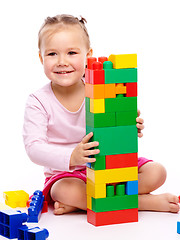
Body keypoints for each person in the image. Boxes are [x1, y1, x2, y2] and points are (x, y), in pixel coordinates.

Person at [23, 14, 179, 215]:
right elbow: (33, 148)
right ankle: (142, 203)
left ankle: (88, 202)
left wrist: (128, 125)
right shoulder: (38, 101)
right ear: (40, 58)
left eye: (71, 52)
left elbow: (114, 123)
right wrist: (72, 156)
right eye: (52, 54)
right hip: (68, 174)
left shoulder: (99, 87)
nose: (62, 61)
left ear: (88, 56)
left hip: (110, 165)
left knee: (157, 172)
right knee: (63, 190)